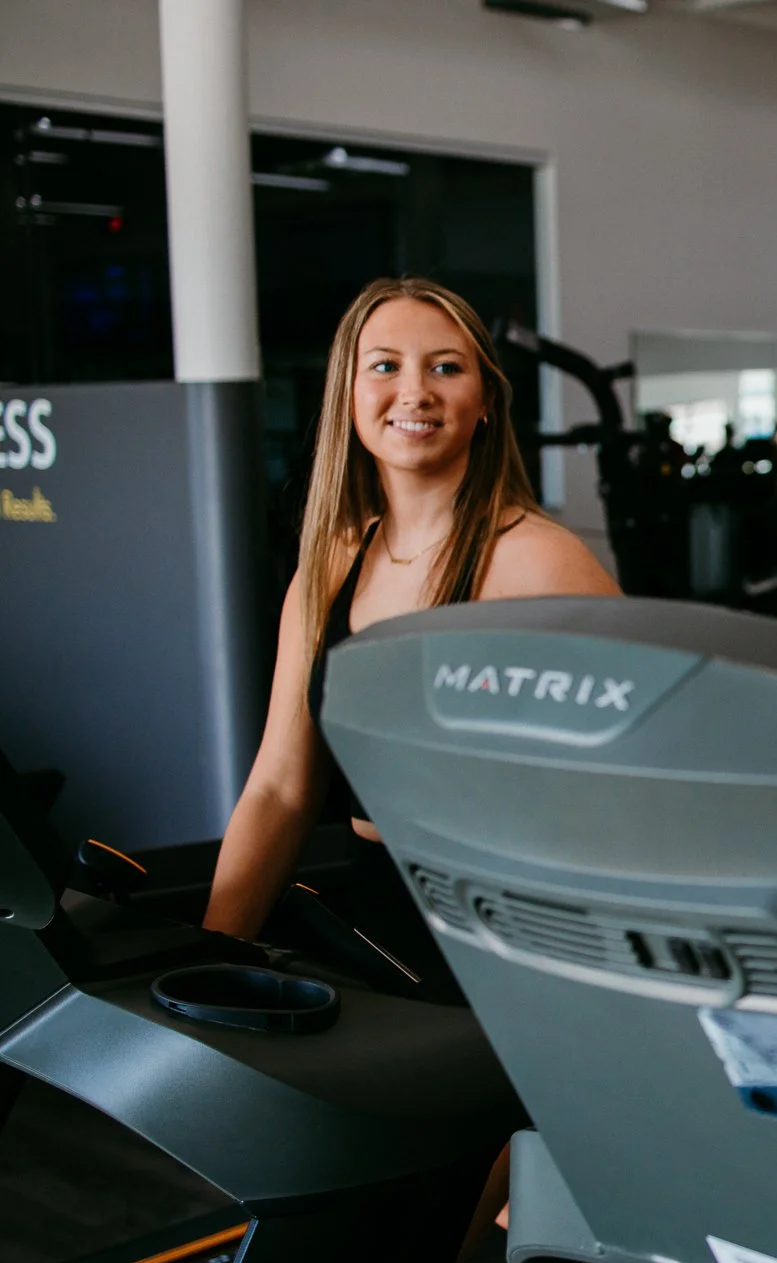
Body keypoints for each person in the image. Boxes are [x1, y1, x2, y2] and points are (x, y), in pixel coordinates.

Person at [202, 277, 618, 976]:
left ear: (485, 401)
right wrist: (209, 955)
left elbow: (639, 777)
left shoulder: (543, 562)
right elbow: (281, 787)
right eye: (386, 365)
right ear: (350, 395)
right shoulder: (331, 564)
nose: (415, 391)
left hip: (514, 936)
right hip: (381, 922)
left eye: (446, 367)